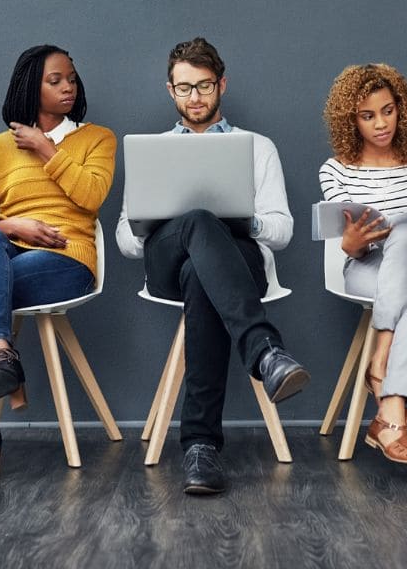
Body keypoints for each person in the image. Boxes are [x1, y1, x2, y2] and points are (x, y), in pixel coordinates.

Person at [116, 37, 309, 495]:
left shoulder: (257, 147)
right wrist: (152, 222)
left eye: (203, 86)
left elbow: (282, 231)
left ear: (221, 83)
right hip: (165, 260)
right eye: (184, 89)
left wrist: (246, 220)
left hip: (237, 263)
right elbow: (124, 239)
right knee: (199, 222)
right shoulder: (153, 149)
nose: (195, 98)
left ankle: (201, 447)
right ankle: (265, 352)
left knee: (203, 277)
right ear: (170, 91)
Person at [0, 46, 115, 482]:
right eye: (55, 80)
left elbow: (91, 197)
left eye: (71, 77)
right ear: (30, 86)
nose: (68, 86)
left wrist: (46, 149)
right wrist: (14, 224)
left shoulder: (97, 139)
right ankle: (2, 351)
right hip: (7, 253)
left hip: (66, 260)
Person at [320, 64, 407, 465]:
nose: (381, 124)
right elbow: (347, 245)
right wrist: (353, 244)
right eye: (367, 116)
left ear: (402, 109)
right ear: (352, 120)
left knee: (406, 235)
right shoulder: (336, 170)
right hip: (369, 268)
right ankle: (391, 416)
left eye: (388, 111)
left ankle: (378, 358)